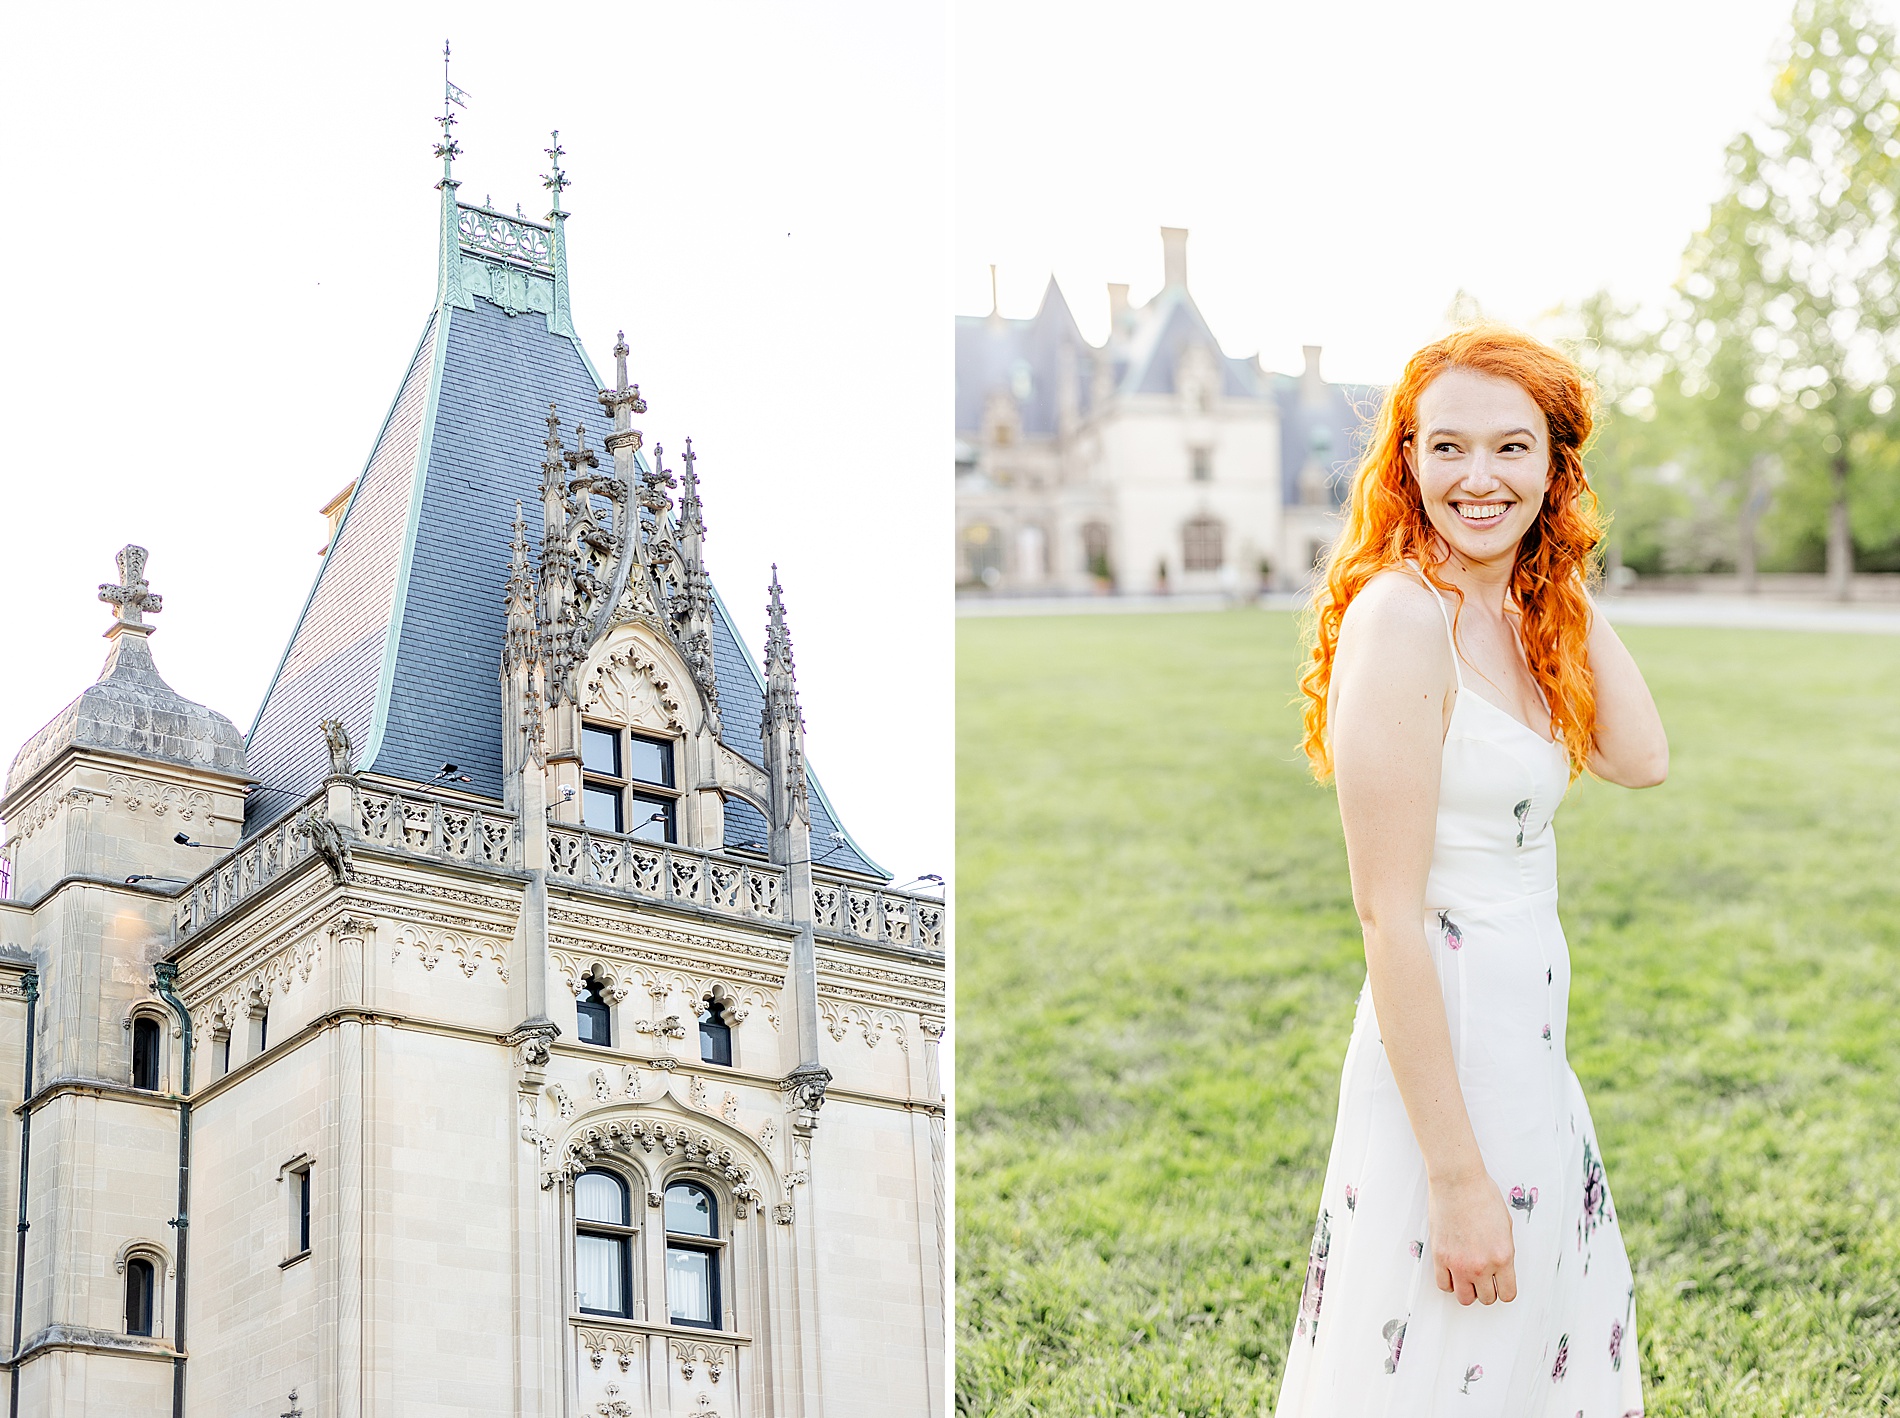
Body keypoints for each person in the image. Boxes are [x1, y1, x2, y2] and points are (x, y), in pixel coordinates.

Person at [1275, 325, 1667, 1416]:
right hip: (1443, 1052)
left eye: (1511, 450)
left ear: (1555, 469)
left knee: (1528, 1352)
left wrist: (1553, 570)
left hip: (1525, 1045)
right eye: (1446, 448)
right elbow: (1387, 915)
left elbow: (1642, 757)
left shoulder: (1520, 614)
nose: (1477, 478)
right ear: (1406, 461)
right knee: (1442, 1357)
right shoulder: (1402, 618)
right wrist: (1453, 1180)